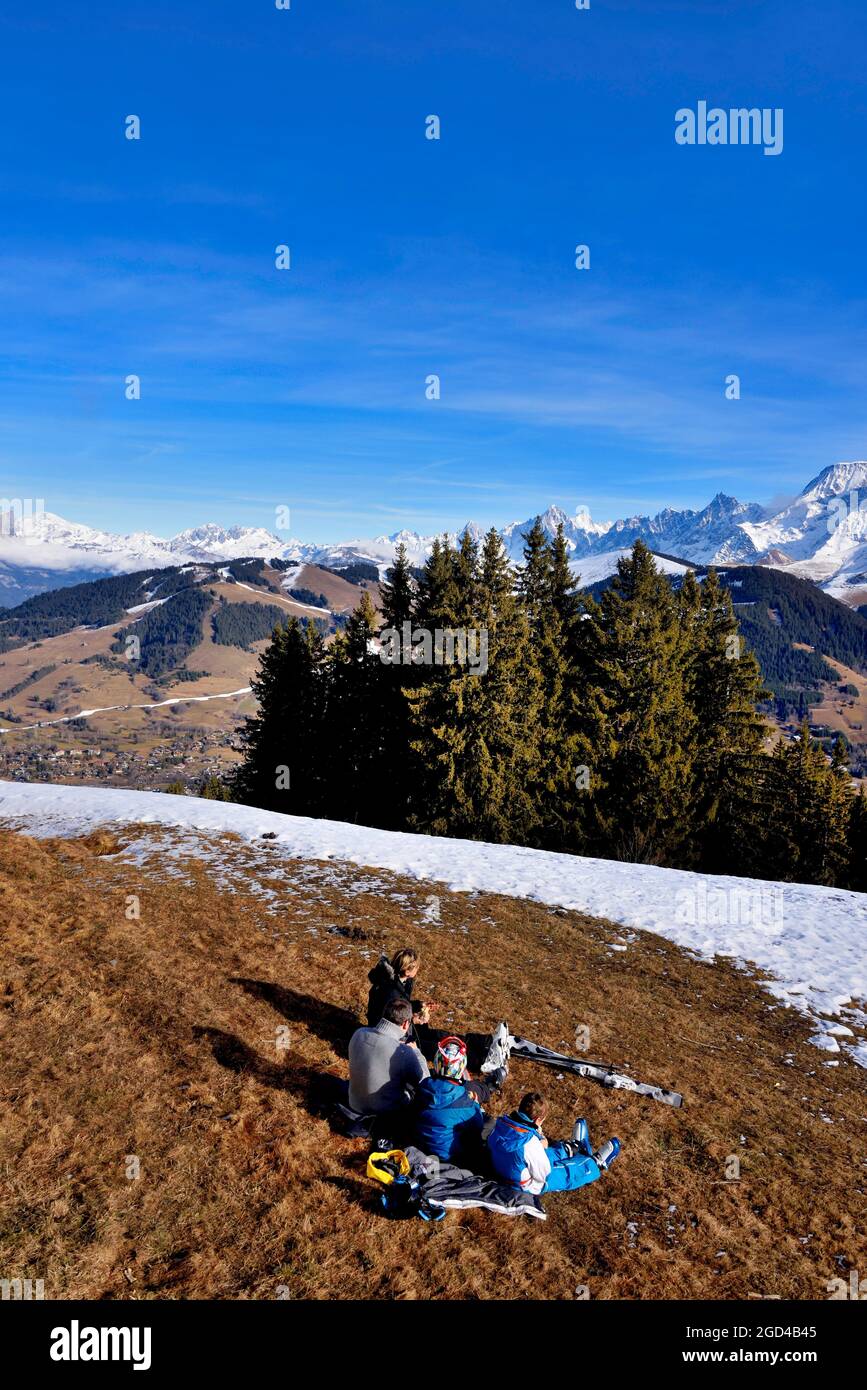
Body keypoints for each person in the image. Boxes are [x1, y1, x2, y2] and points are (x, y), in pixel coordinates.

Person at [487, 1092, 620, 1195]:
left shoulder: (500, 1124)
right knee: (565, 1173)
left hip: (505, 1168)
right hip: (523, 1184)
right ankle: (594, 1163)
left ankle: (572, 1148)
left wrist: (539, 1142)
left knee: (544, 1153)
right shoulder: (529, 1144)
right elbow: (544, 1173)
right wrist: (539, 1141)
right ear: (538, 1120)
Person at [412, 1037, 487, 1165]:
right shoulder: (466, 1104)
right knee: (488, 1124)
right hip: (449, 1158)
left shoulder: (422, 1088)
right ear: (461, 1066)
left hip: (420, 1148)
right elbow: (477, 1126)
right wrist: (475, 1103)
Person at [348, 997, 428, 1116]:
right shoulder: (404, 1052)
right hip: (386, 1113)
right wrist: (416, 1052)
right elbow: (425, 1083)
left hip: (354, 1103)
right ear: (406, 1023)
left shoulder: (359, 1033)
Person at [366, 948, 431, 1041]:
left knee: (426, 1032)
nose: (418, 969)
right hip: (383, 1034)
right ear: (407, 972)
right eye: (416, 967)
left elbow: (401, 1002)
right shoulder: (390, 991)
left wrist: (418, 1005)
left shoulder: (400, 982)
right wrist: (413, 1020)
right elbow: (388, 1021)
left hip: (393, 1022)